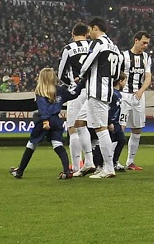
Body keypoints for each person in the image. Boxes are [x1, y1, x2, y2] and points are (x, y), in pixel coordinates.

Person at [80, 18, 125, 180]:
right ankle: (95, 164)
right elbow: (117, 73)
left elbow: (86, 65)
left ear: (95, 28)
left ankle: (108, 168)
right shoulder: (115, 47)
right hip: (107, 89)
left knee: (101, 128)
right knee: (86, 123)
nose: (89, 34)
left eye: (90, 30)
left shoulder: (98, 43)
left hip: (96, 90)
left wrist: (80, 76)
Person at [11, 68, 72, 179]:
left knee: (31, 144)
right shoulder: (60, 90)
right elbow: (72, 95)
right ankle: (67, 170)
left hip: (44, 121)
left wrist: (45, 120)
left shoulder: (40, 91)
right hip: (56, 120)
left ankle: (20, 171)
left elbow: (43, 107)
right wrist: (81, 84)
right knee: (57, 144)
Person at [57, 22, 94, 171]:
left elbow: (61, 74)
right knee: (95, 128)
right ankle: (92, 162)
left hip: (76, 93)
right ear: (86, 34)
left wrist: (72, 84)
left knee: (73, 128)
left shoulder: (68, 49)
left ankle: (77, 166)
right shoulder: (94, 46)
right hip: (93, 91)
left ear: (73, 35)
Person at [120, 32, 153, 171]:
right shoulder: (123, 56)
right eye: (143, 43)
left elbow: (148, 77)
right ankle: (114, 160)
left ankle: (130, 162)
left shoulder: (146, 57)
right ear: (136, 40)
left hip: (139, 96)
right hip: (124, 95)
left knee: (137, 129)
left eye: (147, 43)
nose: (145, 46)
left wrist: (141, 90)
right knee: (120, 128)